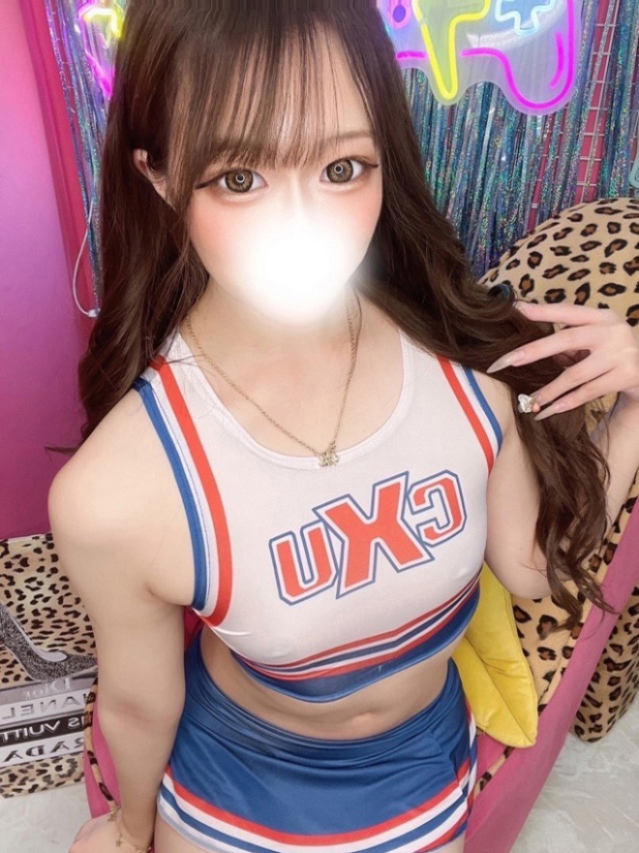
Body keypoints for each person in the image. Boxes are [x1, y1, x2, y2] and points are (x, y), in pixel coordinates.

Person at [47, 2, 639, 852]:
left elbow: (532, 566)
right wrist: (126, 824)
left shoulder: (467, 367)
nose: (303, 226)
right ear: (162, 176)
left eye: (340, 168)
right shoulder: (115, 489)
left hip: (424, 781)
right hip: (227, 804)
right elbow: (139, 702)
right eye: (239, 178)